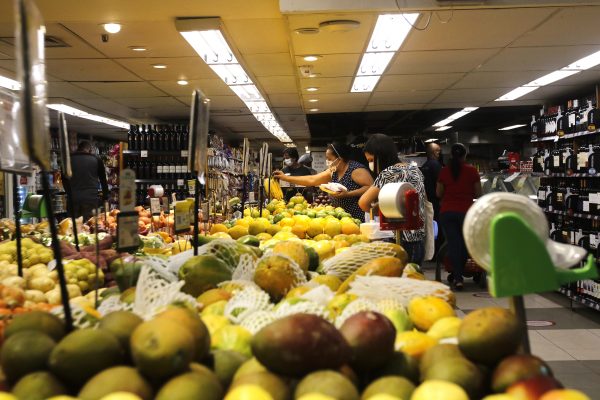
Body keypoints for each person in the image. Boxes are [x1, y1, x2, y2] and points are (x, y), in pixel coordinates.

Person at [358, 134, 427, 265]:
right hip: (418, 240)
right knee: (413, 277)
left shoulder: (388, 173)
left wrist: (383, 211)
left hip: (398, 241)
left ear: (380, 156)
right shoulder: (415, 170)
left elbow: (363, 203)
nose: (370, 164)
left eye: (371, 160)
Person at [274, 142, 373, 221]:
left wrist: (348, 194)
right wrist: (285, 178)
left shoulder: (355, 170)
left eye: (329, 159)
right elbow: (312, 180)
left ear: (340, 158)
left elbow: (370, 187)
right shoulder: (333, 170)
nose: (327, 161)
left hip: (357, 216)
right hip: (341, 217)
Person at [436, 143, 482, 291]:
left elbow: (438, 193)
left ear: (451, 155)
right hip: (466, 213)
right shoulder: (472, 171)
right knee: (463, 244)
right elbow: (478, 194)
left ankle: (457, 277)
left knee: (453, 243)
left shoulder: (444, 171)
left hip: (447, 212)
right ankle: (458, 275)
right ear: (465, 155)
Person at [65, 140, 109, 221]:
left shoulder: (68, 159)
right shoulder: (96, 159)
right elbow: (103, 180)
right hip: (90, 200)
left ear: (79, 148)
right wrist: (105, 197)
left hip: (73, 200)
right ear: (90, 150)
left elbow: (64, 180)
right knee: (89, 225)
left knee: (72, 226)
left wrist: (70, 194)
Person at [420, 142, 443, 254]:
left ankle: (432, 252)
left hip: (428, 202)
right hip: (437, 202)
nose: (439, 153)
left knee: (432, 228)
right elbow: (441, 184)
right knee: (439, 229)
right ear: (433, 152)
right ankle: (439, 253)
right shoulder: (436, 165)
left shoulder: (424, 166)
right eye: (438, 151)